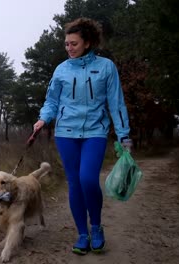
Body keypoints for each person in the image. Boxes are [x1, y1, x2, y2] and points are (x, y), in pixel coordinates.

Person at [32, 17, 132, 255]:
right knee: (75, 183)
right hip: (66, 133)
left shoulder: (106, 67)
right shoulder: (61, 70)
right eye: (66, 44)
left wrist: (123, 135)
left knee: (88, 179)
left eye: (73, 44)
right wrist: (43, 118)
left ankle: (96, 227)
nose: (69, 48)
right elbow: (52, 101)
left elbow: (116, 103)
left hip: (95, 132)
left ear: (87, 43)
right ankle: (82, 233)